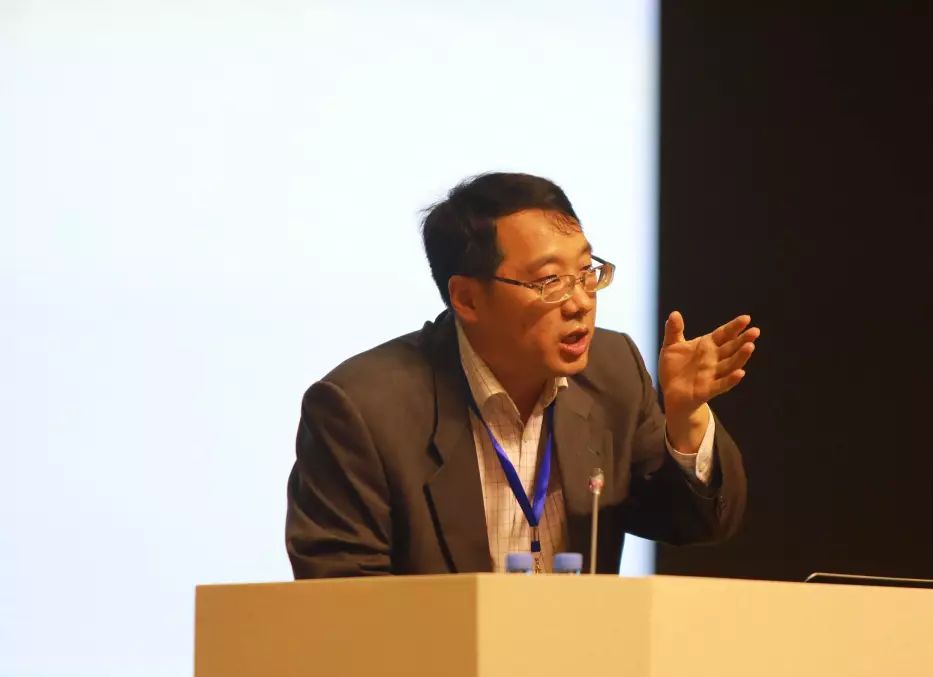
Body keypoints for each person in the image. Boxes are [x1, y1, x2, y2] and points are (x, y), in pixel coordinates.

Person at [285, 172, 758, 577]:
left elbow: (694, 522)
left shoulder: (612, 369)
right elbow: (346, 600)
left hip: (579, 656)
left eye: (585, 272)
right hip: (440, 658)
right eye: (550, 281)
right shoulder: (361, 411)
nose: (580, 302)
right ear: (467, 299)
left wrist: (685, 416)